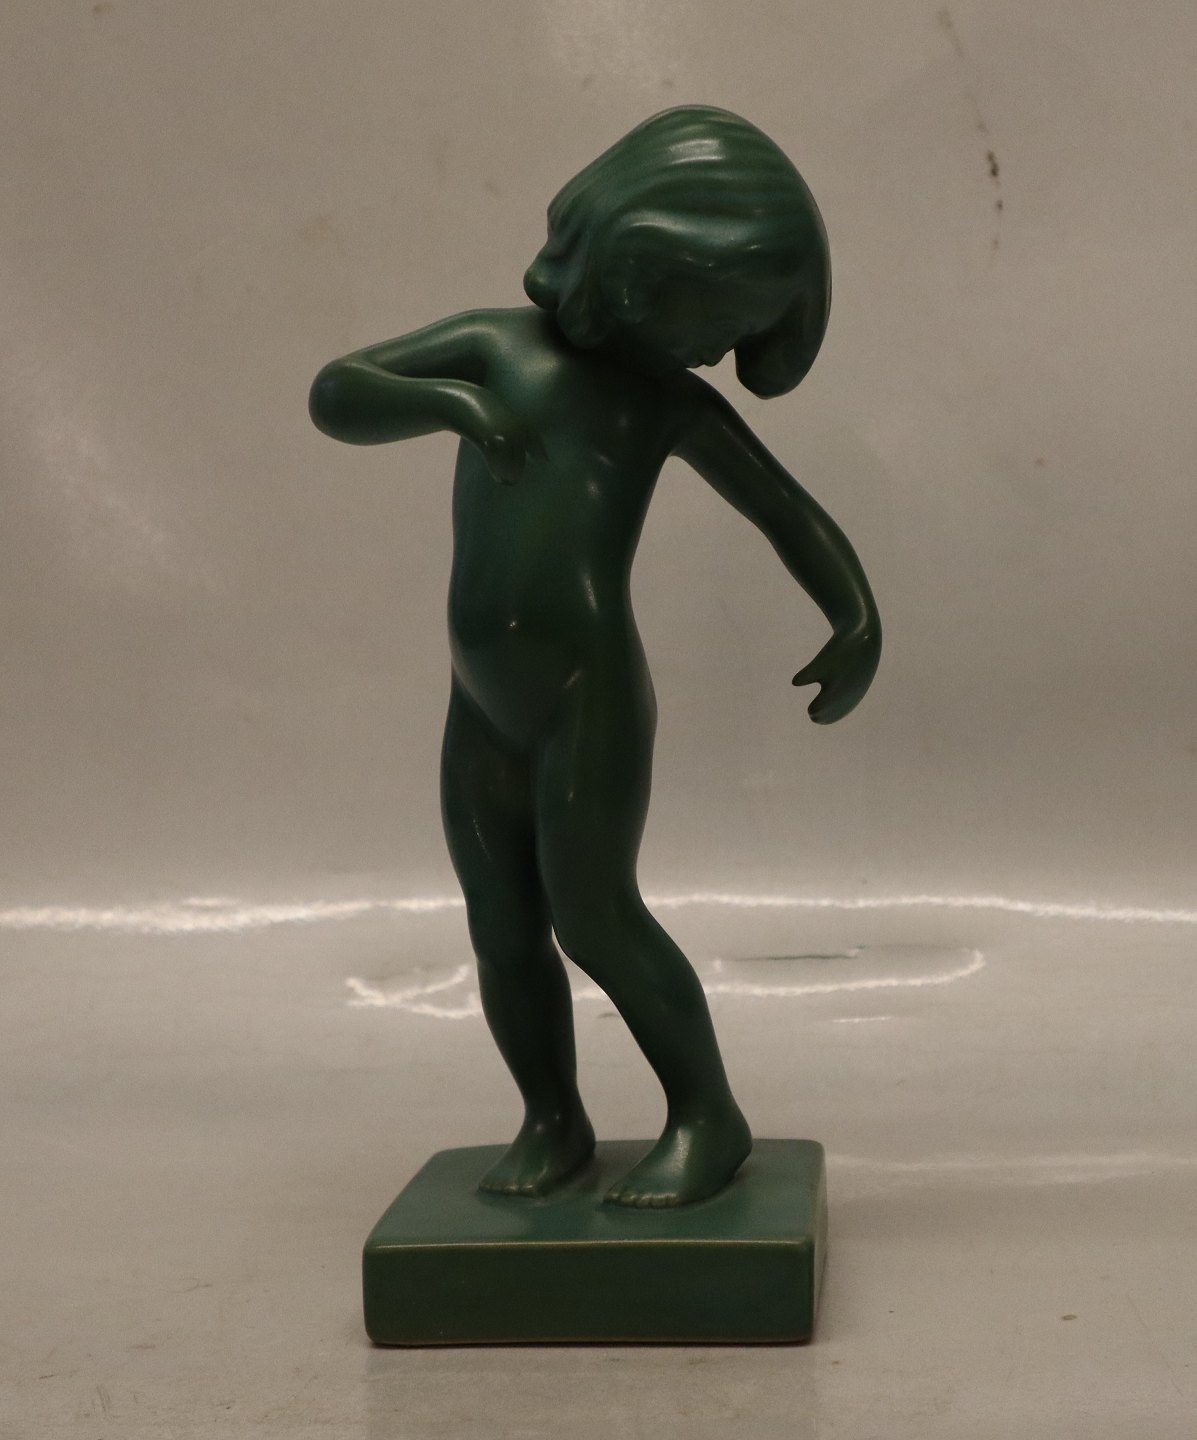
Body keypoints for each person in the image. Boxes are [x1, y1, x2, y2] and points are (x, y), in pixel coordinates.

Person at [309, 106, 881, 1207]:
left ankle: (708, 1114)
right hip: (479, 703)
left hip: (586, 696)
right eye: (721, 321)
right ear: (639, 266)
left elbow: (786, 511)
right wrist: (449, 404)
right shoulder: (494, 348)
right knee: (501, 924)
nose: (722, 350)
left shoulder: (665, 403)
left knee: (594, 916)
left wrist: (854, 615)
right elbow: (337, 391)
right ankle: (551, 1118)